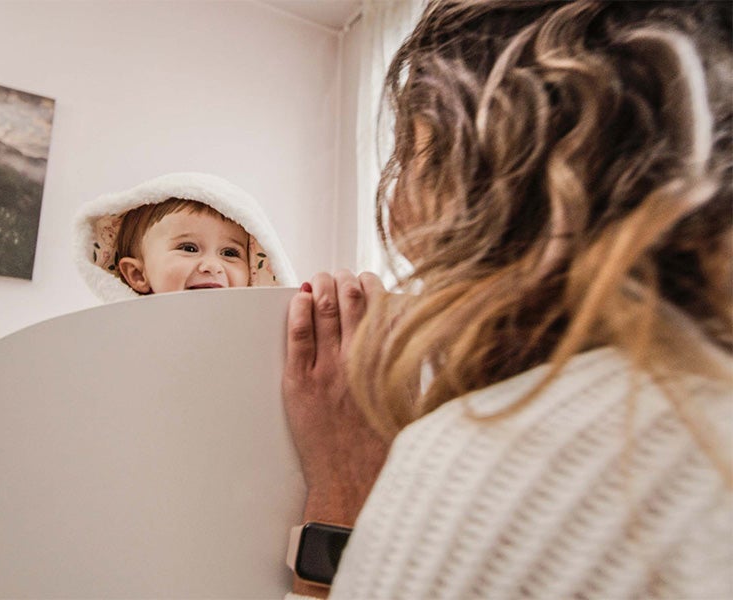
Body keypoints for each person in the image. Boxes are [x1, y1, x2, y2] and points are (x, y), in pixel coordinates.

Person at [282, 1, 732, 598]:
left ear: (477, 179)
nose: (394, 214)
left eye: (407, 159)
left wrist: (344, 492)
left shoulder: (487, 463)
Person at [73, 172, 297, 302]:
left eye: (230, 253)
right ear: (138, 274)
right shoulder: (121, 335)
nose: (212, 266)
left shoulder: (255, 338)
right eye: (189, 248)